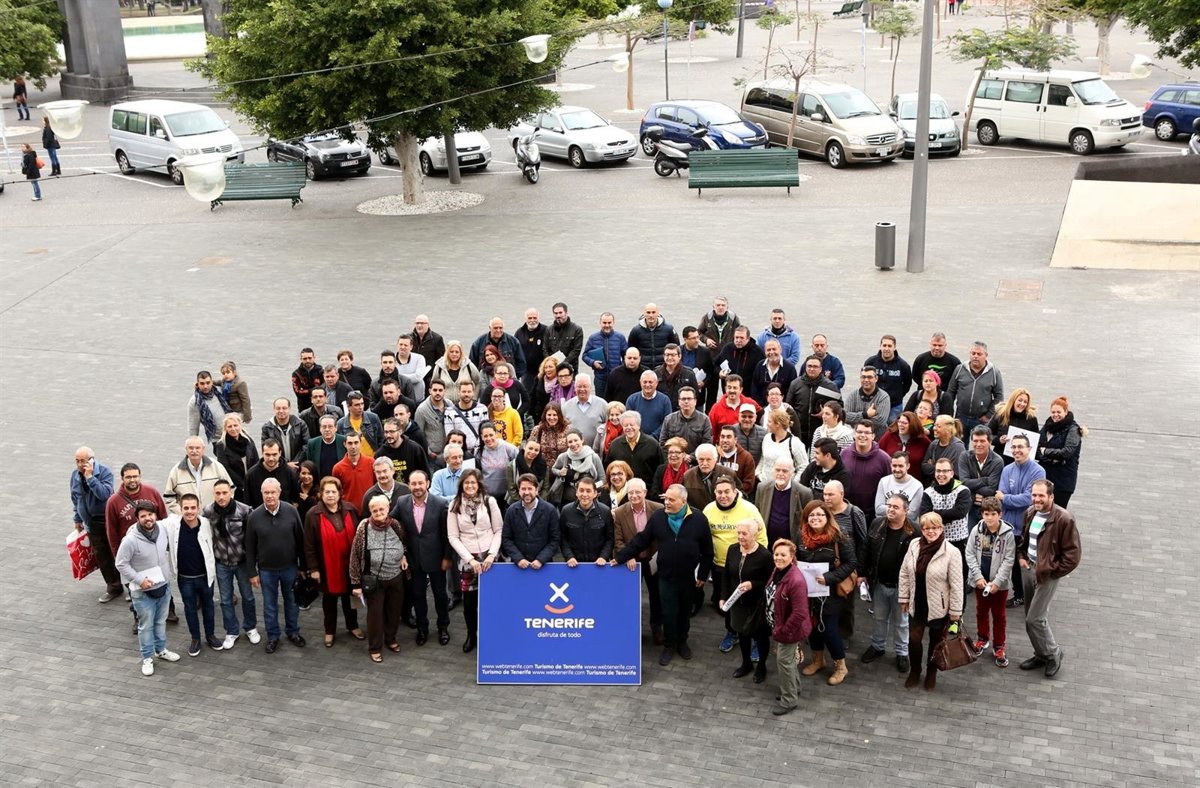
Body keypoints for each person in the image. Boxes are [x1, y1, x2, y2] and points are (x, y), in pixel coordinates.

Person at [615, 484, 713, 666]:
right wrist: (621, 557)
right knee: (668, 612)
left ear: (683, 501)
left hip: (689, 577)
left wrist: (703, 574)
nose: (666, 502)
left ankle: (682, 642)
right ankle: (669, 645)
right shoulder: (659, 517)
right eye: (665, 498)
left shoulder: (699, 519)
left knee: (685, 611)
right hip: (665, 576)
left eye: (671, 500)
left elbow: (708, 551)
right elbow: (641, 540)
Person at [1016, 480, 1082, 678]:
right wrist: (1021, 557)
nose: (1036, 499)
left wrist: (1053, 572)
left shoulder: (1064, 519)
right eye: (1034, 495)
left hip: (1047, 574)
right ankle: (1041, 654)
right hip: (1028, 569)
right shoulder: (1030, 512)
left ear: (1051, 496)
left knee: (1035, 618)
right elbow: (1025, 540)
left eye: (1041, 496)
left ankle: (1053, 653)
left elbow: (1073, 556)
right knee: (1030, 619)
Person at [899, 512, 964, 690]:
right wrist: (904, 597)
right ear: (922, 529)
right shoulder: (914, 545)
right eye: (926, 528)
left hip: (938, 607)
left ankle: (931, 672)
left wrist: (955, 613)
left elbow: (957, 585)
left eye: (935, 527)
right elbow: (904, 572)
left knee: (935, 643)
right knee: (914, 640)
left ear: (941, 528)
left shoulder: (952, 552)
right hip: (917, 603)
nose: (931, 531)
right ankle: (915, 670)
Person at [115, 502, 180, 676]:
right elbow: (120, 564)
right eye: (143, 516)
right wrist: (139, 580)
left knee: (160, 621)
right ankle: (147, 658)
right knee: (145, 626)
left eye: (150, 515)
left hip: (163, 586)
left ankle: (161, 650)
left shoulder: (162, 530)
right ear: (137, 519)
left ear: (155, 515)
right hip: (142, 592)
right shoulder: (130, 540)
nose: (147, 518)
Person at [796, 501, 857, 686]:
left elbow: (851, 562)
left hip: (830, 592)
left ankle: (841, 666)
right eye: (811, 515)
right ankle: (818, 660)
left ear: (827, 516)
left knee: (829, 629)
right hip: (808, 591)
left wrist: (829, 577)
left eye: (820, 514)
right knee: (812, 627)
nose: (815, 518)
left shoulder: (839, 535)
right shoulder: (801, 535)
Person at [703, 478, 767, 653]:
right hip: (720, 566)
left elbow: (762, 537)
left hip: (748, 566)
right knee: (727, 602)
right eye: (719, 492)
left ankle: (756, 640)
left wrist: (756, 562)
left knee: (752, 605)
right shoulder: (709, 509)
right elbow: (704, 536)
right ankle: (732, 632)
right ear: (714, 493)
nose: (723, 496)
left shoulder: (749, 509)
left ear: (735, 492)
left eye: (727, 492)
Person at [446, 469, 505, 653]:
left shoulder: (489, 501)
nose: (470, 486)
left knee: (492, 601)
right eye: (466, 483)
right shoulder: (454, 504)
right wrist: (470, 559)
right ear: (461, 485)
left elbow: (498, 530)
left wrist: (492, 554)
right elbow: (453, 536)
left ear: (479, 484)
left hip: (490, 558)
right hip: (468, 561)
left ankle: (493, 635)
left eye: (473, 482)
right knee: (469, 604)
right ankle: (472, 635)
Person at [245, 478, 306, 653]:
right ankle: (273, 636)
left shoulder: (291, 511)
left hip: (290, 567)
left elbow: (301, 540)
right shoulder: (254, 516)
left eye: (273, 492)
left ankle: (293, 632)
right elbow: (249, 547)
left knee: (292, 602)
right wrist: (252, 572)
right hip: (266, 570)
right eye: (266, 492)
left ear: (279, 492)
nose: (270, 496)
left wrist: (303, 567)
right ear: (261, 494)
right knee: (269, 605)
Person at [391, 470, 451, 646]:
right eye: (413, 483)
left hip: (437, 558)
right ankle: (422, 629)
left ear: (428, 483)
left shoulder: (440, 503)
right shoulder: (402, 502)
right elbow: (391, 522)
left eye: (420, 483)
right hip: (414, 559)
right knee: (418, 596)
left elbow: (447, 534)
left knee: (440, 595)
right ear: (409, 485)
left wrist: (447, 557)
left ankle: (443, 627)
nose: (417, 487)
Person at [303, 476, 364, 647]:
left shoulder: (351, 509)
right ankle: (330, 631)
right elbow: (308, 545)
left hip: (350, 565)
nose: (330, 495)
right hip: (327, 566)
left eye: (333, 492)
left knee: (350, 598)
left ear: (340, 493)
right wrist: (313, 568)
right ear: (321, 494)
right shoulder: (313, 515)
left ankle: (353, 626)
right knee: (329, 601)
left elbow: (360, 535)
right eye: (327, 492)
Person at [860, 493, 917, 673]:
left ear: (906, 511)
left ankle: (902, 652)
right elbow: (866, 549)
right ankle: (878, 646)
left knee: (901, 622)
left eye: (895, 507)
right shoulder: (877, 524)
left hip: (902, 587)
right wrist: (862, 573)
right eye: (889, 505)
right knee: (879, 618)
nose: (890, 509)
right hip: (879, 582)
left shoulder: (914, 531)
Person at [349, 496, 409, 663]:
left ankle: (390, 639)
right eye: (374, 510)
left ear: (388, 509)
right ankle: (375, 647)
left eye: (381, 509)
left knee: (394, 611)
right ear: (370, 511)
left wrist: (403, 556)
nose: (378, 512)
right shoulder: (364, 527)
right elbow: (355, 555)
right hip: (374, 579)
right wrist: (355, 582)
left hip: (395, 576)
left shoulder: (395, 525)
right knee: (375, 615)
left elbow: (404, 543)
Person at [163, 493, 224, 657]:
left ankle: (210, 636)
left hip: (205, 576)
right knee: (190, 609)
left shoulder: (206, 524)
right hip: (185, 579)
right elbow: (155, 524)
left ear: (198, 508)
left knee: (208, 607)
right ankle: (195, 639)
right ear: (180, 509)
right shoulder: (172, 524)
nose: (189, 511)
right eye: (186, 508)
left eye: (193, 508)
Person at [204, 479, 260, 649]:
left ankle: (250, 627)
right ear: (213, 494)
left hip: (242, 562)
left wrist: (253, 565)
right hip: (221, 562)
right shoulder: (208, 512)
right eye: (218, 493)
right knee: (226, 599)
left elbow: (252, 538)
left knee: (248, 596)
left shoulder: (244, 510)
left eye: (224, 493)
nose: (221, 497)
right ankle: (232, 631)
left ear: (231, 493)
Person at [612, 478, 665, 644]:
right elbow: (618, 540)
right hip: (631, 562)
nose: (634, 495)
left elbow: (663, 536)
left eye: (637, 492)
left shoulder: (658, 509)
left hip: (653, 559)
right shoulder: (619, 512)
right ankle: (633, 629)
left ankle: (657, 628)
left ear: (645, 493)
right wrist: (627, 556)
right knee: (631, 597)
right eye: (630, 493)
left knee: (656, 596)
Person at [965, 496, 1015, 668]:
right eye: (986, 514)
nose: (990, 518)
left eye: (993, 514)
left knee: (999, 615)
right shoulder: (976, 530)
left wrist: (997, 582)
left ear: (1000, 514)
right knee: (981, 610)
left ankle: (999, 646)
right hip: (981, 581)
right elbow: (970, 553)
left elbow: (1009, 560)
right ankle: (982, 638)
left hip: (999, 585)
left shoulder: (1008, 534)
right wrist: (978, 577)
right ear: (982, 514)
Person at [996, 433, 1045, 604]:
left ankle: (1023, 595)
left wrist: (1007, 498)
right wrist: (1008, 499)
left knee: (1023, 563)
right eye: (1014, 447)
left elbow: (1029, 499)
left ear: (1029, 449)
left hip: (1026, 526)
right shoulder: (1007, 469)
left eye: (1020, 447)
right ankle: (1016, 592)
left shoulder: (1038, 471)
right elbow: (1000, 495)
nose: (1016, 450)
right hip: (1008, 525)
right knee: (1007, 561)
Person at [721, 520, 773, 683]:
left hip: (757, 604)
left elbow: (770, 581)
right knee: (742, 633)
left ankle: (762, 666)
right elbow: (726, 575)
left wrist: (753, 584)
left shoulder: (765, 556)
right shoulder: (732, 549)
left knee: (760, 636)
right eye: (738, 533)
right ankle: (746, 663)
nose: (740, 537)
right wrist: (723, 596)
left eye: (744, 533)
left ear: (755, 534)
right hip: (737, 602)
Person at [766, 539, 812, 716]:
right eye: (776, 554)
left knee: (784, 662)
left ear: (792, 557)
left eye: (783, 555)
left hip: (789, 631)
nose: (778, 558)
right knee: (788, 661)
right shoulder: (778, 571)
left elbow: (800, 612)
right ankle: (794, 689)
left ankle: (789, 700)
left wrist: (783, 631)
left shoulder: (796, 580)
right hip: (779, 626)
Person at [70, 447, 122, 602]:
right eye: (77, 461)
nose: (79, 464)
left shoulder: (105, 472)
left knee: (118, 553)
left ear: (92, 460)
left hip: (107, 520)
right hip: (90, 523)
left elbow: (104, 495)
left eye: (83, 461)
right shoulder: (75, 475)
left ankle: (131, 586)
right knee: (102, 556)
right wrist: (77, 518)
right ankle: (113, 586)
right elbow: (75, 497)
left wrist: (90, 478)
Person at [920, 458, 972, 591]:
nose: (941, 474)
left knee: (958, 584)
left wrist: (934, 514)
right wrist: (946, 515)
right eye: (938, 471)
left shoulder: (963, 490)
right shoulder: (928, 492)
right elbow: (924, 515)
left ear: (952, 473)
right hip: (934, 542)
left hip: (957, 543)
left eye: (945, 471)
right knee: (935, 584)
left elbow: (959, 512)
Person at [502, 474, 561, 568]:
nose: (526, 492)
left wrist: (541, 559)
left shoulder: (550, 510)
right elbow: (506, 539)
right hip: (518, 566)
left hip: (544, 566)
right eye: (523, 489)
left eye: (530, 488)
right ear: (519, 490)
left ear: (537, 490)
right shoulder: (511, 510)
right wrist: (519, 558)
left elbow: (555, 539)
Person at [1036, 396, 1085, 508]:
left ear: (1066, 412)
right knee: (1041, 512)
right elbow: (1035, 448)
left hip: (1063, 481)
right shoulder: (1047, 426)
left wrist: (1045, 451)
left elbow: (1067, 452)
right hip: (1045, 478)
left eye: (1059, 412)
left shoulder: (1073, 429)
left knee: (1057, 514)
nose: (1055, 415)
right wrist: (1050, 459)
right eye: (1053, 412)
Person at [164, 436, 232, 514]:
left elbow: (231, 489)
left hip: (214, 516)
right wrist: (183, 513)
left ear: (203, 449)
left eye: (197, 448)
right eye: (191, 448)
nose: (194, 451)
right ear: (186, 450)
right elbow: (169, 497)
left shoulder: (216, 467)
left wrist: (222, 509)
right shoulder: (176, 471)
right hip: (188, 518)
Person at [754, 457, 813, 547]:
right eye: (777, 470)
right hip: (766, 543)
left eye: (785, 471)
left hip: (791, 544)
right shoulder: (762, 488)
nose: (780, 474)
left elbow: (807, 521)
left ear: (792, 473)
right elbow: (757, 514)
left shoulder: (804, 493)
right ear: (773, 471)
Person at [947, 341, 1004, 434]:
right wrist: (950, 412)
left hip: (981, 419)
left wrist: (988, 415)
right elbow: (951, 391)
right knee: (959, 441)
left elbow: (999, 397)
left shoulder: (994, 372)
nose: (975, 356)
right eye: (973, 353)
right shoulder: (960, 369)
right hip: (961, 416)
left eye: (979, 354)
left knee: (979, 441)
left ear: (986, 355)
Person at [841, 419, 892, 516]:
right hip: (847, 512)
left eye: (867, 433)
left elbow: (889, 486)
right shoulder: (844, 454)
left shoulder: (884, 459)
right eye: (859, 432)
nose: (863, 435)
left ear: (873, 436)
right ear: (854, 434)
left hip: (872, 514)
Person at [559, 477, 613, 566]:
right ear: (576, 492)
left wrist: (603, 556)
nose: (584, 494)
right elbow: (562, 537)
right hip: (573, 564)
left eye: (588, 491)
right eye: (581, 490)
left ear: (595, 493)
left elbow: (610, 538)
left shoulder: (605, 511)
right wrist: (569, 556)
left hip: (599, 565)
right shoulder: (566, 511)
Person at [786, 356, 839, 446]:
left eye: (815, 366)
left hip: (822, 431)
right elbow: (788, 407)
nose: (812, 369)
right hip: (799, 431)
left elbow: (839, 406)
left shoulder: (830, 386)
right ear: (805, 367)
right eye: (809, 366)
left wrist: (826, 412)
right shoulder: (795, 384)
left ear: (820, 369)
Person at [957, 425, 1003, 526]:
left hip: (988, 509)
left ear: (990, 442)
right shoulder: (965, 456)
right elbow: (964, 483)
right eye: (975, 441)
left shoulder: (997, 461)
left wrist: (971, 486)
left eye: (982, 441)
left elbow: (991, 490)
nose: (978, 444)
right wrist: (985, 480)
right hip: (969, 506)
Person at [549, 428, 604, 506]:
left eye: (576, 440)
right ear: (567, 444)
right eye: (570, 442)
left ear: (582, 440)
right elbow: (554, 469)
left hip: (588, 500)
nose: (573, 444)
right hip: (567, 500)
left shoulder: (593, 457)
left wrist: (593, 487)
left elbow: (603, 479)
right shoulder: (564, 457)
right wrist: (560, 472)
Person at [213, 413, 259, 505]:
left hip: (252, 484)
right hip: (236, 488)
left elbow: (256, 461)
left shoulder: (248, 441)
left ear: (240, 425)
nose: (233, 429)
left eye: (235, 425)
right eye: (230, 426)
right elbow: (225, 468)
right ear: (225, 428)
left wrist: (253, 481)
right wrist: (242, 485)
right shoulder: (221, 446)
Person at [864, 335, 913, 423]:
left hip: (894, 406)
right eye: (884, 345)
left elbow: (907, 384)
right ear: (880, 346)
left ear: (895, 347)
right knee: (871, 426)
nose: (886, 348)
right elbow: (865, 380)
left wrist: (897, 396)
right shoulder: (870, 362)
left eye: (889, 346)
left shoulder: (903, 366)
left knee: (894, 428)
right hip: (873, 404)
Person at [606, 411, 663, 483]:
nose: (629, 428)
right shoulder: (615, 445)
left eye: (632, 425)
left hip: (646, 488)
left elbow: (660, 470)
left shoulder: (652, 444)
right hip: (622, 488)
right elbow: (609, 468)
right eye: (626, 425)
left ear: (639, 426)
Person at [582, 312, 628, 399]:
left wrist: (621, 369)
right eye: (604, 323)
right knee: (601, 402)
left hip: (616, 377)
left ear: (613, 322)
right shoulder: (593, 338)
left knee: (617, 402)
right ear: (600, 323)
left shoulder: (620, 337)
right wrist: (593, 362)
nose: (607, 325)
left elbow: (626, 356)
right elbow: (584, 356)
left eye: (609, 323)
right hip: (600, 378)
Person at [878, 411, 931, 485]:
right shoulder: (889, 435)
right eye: (899, 422)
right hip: (890, 482)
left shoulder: (923, 441)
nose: (900, 425)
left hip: (914, 484)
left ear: (912, 425)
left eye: (904, 423)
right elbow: (879, 454)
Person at [990, 387, 1039, 464]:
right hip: (1001, 459)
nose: (1022, 404)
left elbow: (1035, 442)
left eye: (1025, 402)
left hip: (1021, 461)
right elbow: (987, 434)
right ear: (1013, 400)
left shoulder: (1031, 419)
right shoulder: (1001, 415)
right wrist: (999, 440)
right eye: (1020, 400)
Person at [246, 439, 301, 507]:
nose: (271, 458)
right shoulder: (251, 475)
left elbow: (296, 501)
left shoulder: (290, 473)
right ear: (262, 453)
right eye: (267, 455)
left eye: (274, 454)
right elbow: (247, 503)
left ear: (280, 453)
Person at [659, 387, 710, 456]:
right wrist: (675, 455)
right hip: (674, 460)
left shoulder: (704, 420)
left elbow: (707, 445)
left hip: (696, 460)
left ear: (695, 401)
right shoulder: (669, 419)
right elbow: (663, 444)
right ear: (679, 402)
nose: (686, 401)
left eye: (689, 399)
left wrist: (691, 457)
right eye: (683, 399)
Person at [332, 432, 376, 513]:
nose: (353, 446)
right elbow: (337, 492)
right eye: (350, 443)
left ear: (360, 443)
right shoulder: (338, 468)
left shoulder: (371, 462)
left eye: (356, 443)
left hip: (370, 510)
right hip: (349, 512)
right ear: (344, 444)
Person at [376, 417, 428, 485]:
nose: (388, 435)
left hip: (412, 489)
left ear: (400, 431)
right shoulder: (381, 453)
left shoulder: (414, 448)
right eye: (386, 432)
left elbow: (425, 472)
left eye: (392, 431)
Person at [874, 452, 924, 523]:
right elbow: (878, 509)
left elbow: (912, 515)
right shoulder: (883, 481)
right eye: (894, 466)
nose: (897, 469)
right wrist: (901, 510)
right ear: (891, 465)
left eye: (900, 466)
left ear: (908, 466)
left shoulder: (917, 486)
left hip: (906, 527)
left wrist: (890, 510)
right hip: (885, 525)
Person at [843, 366, 890, 439]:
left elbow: (880, 421)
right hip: (857, 438)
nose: (866, 380)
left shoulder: (883, 397)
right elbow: (845, 417)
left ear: (876, 379)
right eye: (863, 377)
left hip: (878, 439)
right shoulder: (853, 395)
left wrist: (856, 421)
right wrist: (865, 414)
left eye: (869, 377)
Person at [477, 422, 519, 504]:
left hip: (506, 496)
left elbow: (519, 464)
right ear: (481, 437)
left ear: (496, 434)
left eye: (491, 435)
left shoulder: (508, 448)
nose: (489, 438)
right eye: (485, 436)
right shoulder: (479, 452)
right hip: (487, 496)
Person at [714, 328, 764, 396]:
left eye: (741, 338)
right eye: (736, 337)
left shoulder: (757, 352)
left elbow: (761, 374)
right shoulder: (727, 349)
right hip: (729, 393)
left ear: (748, 338)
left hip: (748, 394)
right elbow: (715, 364)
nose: (738, 340)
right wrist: (719, 372)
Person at [708, 374, 757, 443]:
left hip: (747, 444)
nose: (732, 390)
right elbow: (712, 433)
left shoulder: (750, 403)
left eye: (735, 388)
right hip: (725, 446)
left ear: (741, 389)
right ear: (725, 389)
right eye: (729, 387)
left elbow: (761, 417)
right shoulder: (716, 408)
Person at [624, 370, 673, 441]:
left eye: (650, 382)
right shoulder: (632, 399)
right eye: (645, 382)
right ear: (640, 383)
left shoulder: (665, 400)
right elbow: (629, 422)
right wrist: (641, 437)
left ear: (656, 383)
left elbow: (667, 423)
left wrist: (652, 438)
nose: (647, 385)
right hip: (636, 441)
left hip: (658, 441)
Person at [444, 380, 489, 455]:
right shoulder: (449, 412)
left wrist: (476, 449)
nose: (466, 394)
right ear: (459, 392)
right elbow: (450, 435)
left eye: (469, 391)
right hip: (459, 452)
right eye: (464, 392)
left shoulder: (482, 409)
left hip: (479, 452)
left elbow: (485, 431)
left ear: (473, 393)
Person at [628, 303, 679, 369]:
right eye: (648, 312)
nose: (651, 315)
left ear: (658, 313)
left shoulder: (669, 329)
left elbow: (676, 347)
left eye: (653, 312)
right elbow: (631, 349)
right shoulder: (636, 331)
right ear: (644, 314)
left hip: (664, 367)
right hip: (643, 368)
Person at [261, 398, 309, 467]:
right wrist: (285, 464)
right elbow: (266, 449)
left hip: (298, 466)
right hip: (278, 467)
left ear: (289, 408)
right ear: (273, 409)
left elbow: (306, 445)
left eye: (284, 408)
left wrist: (295, 462)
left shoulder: (300, 424)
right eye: (278, 408)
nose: (281, 411)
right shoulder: (267, 428)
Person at [911, 332, 961, 397]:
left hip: (944, 398)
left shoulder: (954, 362)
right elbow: (915, 377)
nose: (937, 348)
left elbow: (957, 383)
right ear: (930, 344)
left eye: (940, 345)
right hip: (924, 396)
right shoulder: (921, 359)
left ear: (945, 345)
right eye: (934, 345)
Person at [750, 338, 797, 406]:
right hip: (761, 408)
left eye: (774, 349)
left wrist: (781, 407)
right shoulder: (759, 366)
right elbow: (754, 389)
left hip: (781, 408)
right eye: (768, 350)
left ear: (780, 350)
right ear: (765, 352)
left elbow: (791, 392)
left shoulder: (790, 368)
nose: (771, 352)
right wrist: (761, 407)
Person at [679, 326, 716, 410]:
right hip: (681, 395)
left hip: (698, 396)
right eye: (693, 338)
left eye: (697, 337)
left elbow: (711, 372)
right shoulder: (678, 351)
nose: (697, 340)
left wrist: (704, 382)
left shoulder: (705, 352)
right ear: (685, 339)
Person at [187, 370, 229, 443]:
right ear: (197, 384)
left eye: (208, 382)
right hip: (218, 440)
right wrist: (193, 443)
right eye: (202, 383)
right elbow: (193, 426)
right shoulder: (195, 402)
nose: (205, 386)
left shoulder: (219, 390)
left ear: (212, 382)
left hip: (233, 432)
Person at [922, 414, 966, 480]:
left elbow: (955, 473)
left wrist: (933, 466)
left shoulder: (958, 447)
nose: (934, 428)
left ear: (948, 429)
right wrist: (943, 469)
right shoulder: (934, 444)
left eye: (938, 426)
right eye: (935, 425)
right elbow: (924, 466)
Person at [655, 344, 699, 409]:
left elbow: (695, 395)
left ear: (679, 356)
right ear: (664, 356)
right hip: (661, 409)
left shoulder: (689, 374)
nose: (670, 358)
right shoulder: (656, 373)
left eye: (673, 355)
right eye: (667, 355)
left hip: (681, 411)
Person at [716, 425, 756, 495]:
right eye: (722, 437)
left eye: (728, 437)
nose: (725, 440)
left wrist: (734, 493)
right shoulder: (714, 455)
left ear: (735, 440)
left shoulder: (746, 457)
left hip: (737, 496)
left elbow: (749, 483)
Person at [544, 302, 585, 372]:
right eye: (556, 313)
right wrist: (550, 363)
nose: (558, 315)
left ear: (566, 313)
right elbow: (545, 349)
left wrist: (563, 363)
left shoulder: (577, 329)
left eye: (560, 313)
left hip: (570, 368)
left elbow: (576, 350)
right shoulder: (549, 329)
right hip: (553, 369)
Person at [515, 309, 547, 390]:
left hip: (544, 371)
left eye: (534, 318)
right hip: (526, 372)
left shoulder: (546, 330)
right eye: (529, 318)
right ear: (525, 319)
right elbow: (515, 351)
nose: (532, 320)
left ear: (538, 318)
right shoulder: (519, 332)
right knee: (527, 393)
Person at [650, 437, 690, 502]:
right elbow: (654, 494)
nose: (673, 455)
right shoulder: (661, 469)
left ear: (683, 454)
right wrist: (669, 498)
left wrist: (668, 496)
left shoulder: (690, 470)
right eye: (670, 452)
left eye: (677, 452)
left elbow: (690, 495)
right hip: (664, 504)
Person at [291, 348, 323, 412]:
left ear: (314, 358)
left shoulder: (321, 371)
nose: (307, 360)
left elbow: (325, 388)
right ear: (301, 359)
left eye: (310, 358)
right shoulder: (296, 374)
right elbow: (298, 393)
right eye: (305, 359)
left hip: (321, 406)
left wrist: (306, 390)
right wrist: (316, 390)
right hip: (304, 407)